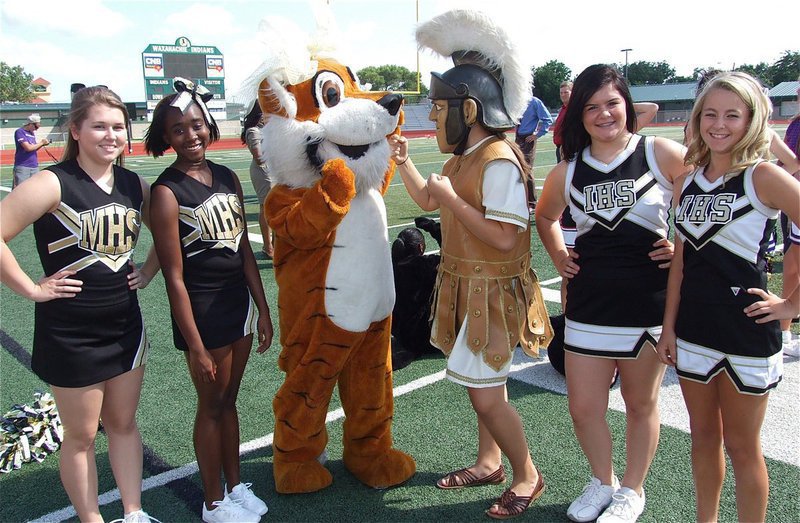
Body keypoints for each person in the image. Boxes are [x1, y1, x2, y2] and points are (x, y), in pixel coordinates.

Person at [390, 9, 551, 519]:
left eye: (440, 108)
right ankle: (489, 461)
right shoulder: (465, 155)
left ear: (471, 108)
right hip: (466, 284)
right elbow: (427, 199)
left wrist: (453, 201)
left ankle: (527, 473)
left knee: (485, 395)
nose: (434, 117)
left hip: (492, 291)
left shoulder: (498, 157)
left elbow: (505, 238)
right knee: (484, 388)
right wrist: (404, 161)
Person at [535, 64, 691, 523]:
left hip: (648, 303)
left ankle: (633, 490)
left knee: (641, 404)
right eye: (592, 107)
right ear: (579, 115)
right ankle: (602, 481)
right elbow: (545, 218)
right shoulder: (567, 171)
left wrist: (681, 245)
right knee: (584, 408)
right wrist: (560, 256)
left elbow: (709, 193)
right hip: (588, 305)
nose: (604, 114)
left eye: (612, 103)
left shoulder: (659, 152)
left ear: (627, 105)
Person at [0, 86, 159, 523]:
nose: (111, 136)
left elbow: (168, 232)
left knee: (124, 425)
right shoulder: (53, 182)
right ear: (75, 129)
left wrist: (147, 271)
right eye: (99, 126)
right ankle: (91, 519)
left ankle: (133, 513)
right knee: (83, 435)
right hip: (69, 331)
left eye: (118, 127)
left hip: (125, 324)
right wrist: (31, 289)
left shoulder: (132, 183)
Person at [657, 71, 800, 522]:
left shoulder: (765, 177)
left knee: (742, 446)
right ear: (697, 119)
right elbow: (680, 264)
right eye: (710, 114)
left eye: (732, 115)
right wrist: (669, 328)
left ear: (752, 120)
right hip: (695, 328)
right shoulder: (688, 180)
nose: (719, 124)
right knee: (702, 436)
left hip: (747, 331)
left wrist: (792, 305)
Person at [144, 79, 273, 523]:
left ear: (209, 125)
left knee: (230, 401)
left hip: (237, 305)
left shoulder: (228, 176)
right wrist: (195, 345)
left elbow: (242, 252)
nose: (191, 135)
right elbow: (173, 277)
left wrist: (263, 307)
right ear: (166, 138)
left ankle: (236, 486)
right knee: (211, 404)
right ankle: (213, 500)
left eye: (197, 124)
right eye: (178, 129)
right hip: (202, 312)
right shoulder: (165, 192)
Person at [390, 217, 442, 370]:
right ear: (420, 247)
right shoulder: (426, 265)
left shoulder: (388, 266)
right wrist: (434, 228)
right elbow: (453, 254)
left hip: (401, 336)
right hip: (425, 339)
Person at [777, 79, 800, 356]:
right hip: (792, 198)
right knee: (792, 264)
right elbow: (789, 162)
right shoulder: (796, 124)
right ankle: (784, 329)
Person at [241, 103, 274, 259]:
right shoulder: (253, 131)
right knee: (266, 208)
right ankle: (268, 247)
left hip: (272, 171)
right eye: (266, 113)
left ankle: (274, 244)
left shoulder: (265, 130)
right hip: (263, 172)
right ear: (259, 114)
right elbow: (259, 157)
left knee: (275, 207)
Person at [515, 90, 552, 209]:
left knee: (527, 169)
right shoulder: (518, 103)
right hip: (518, 138)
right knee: (518, 168)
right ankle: (522, 198)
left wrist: (537, 135)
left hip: (528, 139)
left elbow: (547, 119)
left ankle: (532, 202)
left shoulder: (535, 102)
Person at [13, 113, 51, 188]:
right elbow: (28, 148)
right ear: (30, 124)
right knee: (21, 189)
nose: (36, 129)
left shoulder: (31, 133)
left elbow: (33, 148)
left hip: (34, 166)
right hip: (23, 166)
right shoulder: (20, 132)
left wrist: (42, 144)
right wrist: (41, 143)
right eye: (36, 127)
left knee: (34, 189)